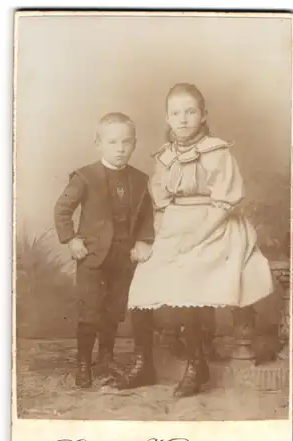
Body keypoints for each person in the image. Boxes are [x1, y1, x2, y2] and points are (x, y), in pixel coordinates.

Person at [116, 83, 274, 397]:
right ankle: (143, 361)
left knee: (190, 276)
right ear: (167, 118)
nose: (184, 118)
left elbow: (223, 203)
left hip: (215, 225)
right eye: (176, 113)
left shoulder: (216, 151)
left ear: (203, 115)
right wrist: (159, 241)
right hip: (174, 225)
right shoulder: (163, 157)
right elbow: (160, 205)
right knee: (144, 279)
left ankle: (196, 363)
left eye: (191, 111)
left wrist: (195, 238)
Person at [54, 112, 154, 389]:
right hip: (93, 257)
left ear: (134, 144)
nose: (120, 148)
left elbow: (148, 216)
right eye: (112, 142)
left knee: (113, 310)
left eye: (126, 142)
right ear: (98, 143)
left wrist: (143, 240)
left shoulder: (141, 180)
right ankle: (84, 363)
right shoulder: (85, 176)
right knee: (90, 311)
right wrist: (71, 240)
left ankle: (106, 358)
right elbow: (62, 210)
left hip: (124, 258)